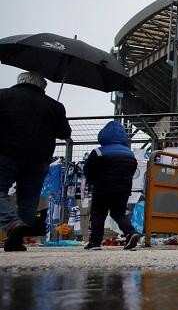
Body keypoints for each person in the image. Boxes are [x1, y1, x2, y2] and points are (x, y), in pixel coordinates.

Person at [0, 72, 71, 252]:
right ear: (43, 87)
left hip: (5, 153)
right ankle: (17, 238)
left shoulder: (3, 96)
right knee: (29, 198)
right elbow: (65, 133)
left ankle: (12, 224)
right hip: (39, 157)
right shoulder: (54, 106)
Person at [83, 121, 140, 251]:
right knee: (119, 214)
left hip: (102, 188)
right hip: (123, 190)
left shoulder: (98, 152)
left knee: (98, 214)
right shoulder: (129, 154)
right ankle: (130, 233)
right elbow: (132, 170)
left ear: (103, 135)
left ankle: (95, 242)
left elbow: (88, 170)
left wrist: (94, 182)